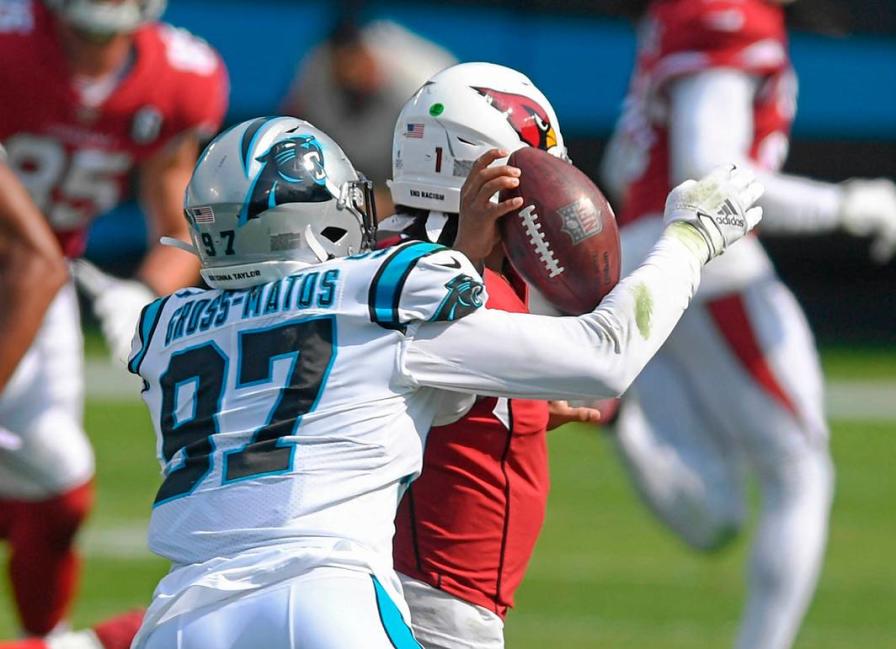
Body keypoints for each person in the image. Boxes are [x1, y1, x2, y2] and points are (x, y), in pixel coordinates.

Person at [127, 114, 762, 648]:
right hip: (322, 596)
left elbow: (327, 400)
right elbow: (606, 355)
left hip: (178, 616)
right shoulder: (375, 290)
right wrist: (690, 238)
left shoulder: (166, 328)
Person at [600, 2, 896, 648]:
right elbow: (711, 175)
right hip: (699, 261)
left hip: (640, 261)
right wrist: (845, 205)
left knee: (718, 513)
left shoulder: (678, 15)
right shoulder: (728, 15)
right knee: (800, 467)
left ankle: (616, 416)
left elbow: (622, 166)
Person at [0, 0, 228, 638]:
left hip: (36, 284)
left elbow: (178, 228)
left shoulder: (180, 77)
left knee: (59, 479)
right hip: (31, 270)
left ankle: (44, 638)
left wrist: (142, 294)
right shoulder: (10, 43)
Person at [384, 63, 598, 649]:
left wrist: (509, 404)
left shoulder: (389, 260)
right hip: (432, 601)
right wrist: (689, 241)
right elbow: (612, 358)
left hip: (398, 584)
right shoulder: (466, 291)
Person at [284, 14, 456, 215]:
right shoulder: (315, 73)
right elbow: (289, 131)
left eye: (357, 61)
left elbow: (443, 180)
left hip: (414, 197)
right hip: (345, 186)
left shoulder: (422, 88)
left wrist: (389, 202)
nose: (352, 73)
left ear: (369, 54)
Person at [0, 147, 69, 394]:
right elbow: (43, 263)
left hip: (26, 286)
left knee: (51, 428)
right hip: (27, 282)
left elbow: (44, 265)